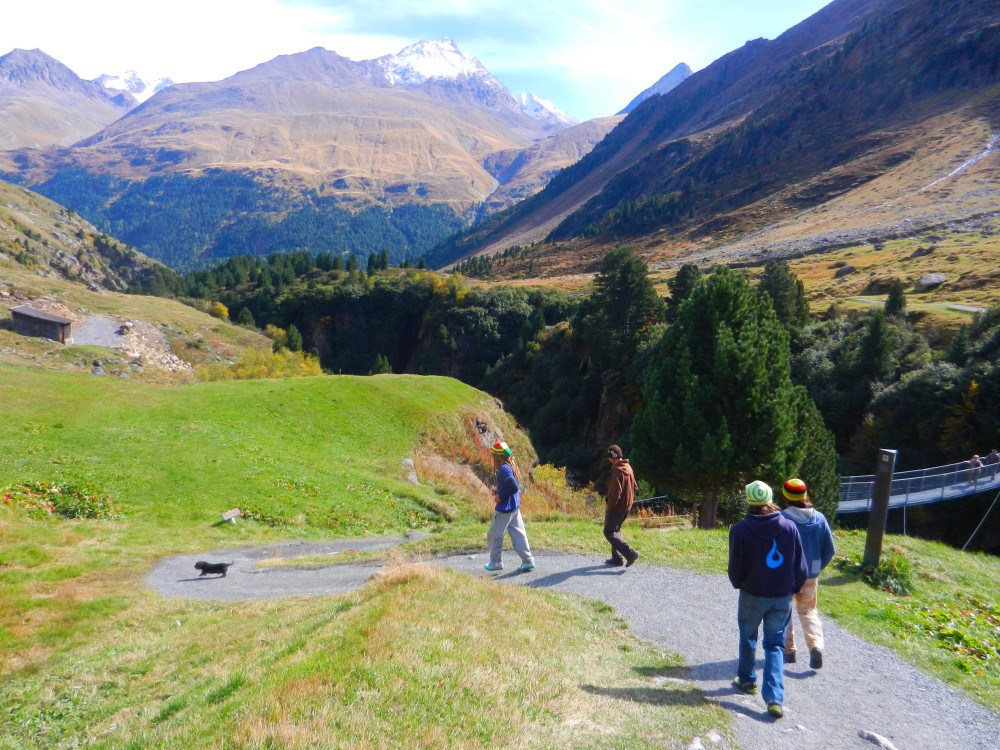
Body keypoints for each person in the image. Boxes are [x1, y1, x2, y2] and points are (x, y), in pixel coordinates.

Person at [728, 480, 807, 719]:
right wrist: (793, 588)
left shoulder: (740, 530)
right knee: (775, 645)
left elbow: (735, 567)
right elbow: (800, 566)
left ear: (749, 501)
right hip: (781, 596)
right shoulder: (789, 527)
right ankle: (774, 699)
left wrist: (739, 584)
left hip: (752, 594)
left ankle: (746, 679)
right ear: (770, 500)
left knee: (748, 636)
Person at [780, 478, 836, 670]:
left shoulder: (782, 519)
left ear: (785, 496)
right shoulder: (819, 518)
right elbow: (829, 549)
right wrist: (816, 567)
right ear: (805, 495)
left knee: (784, 610)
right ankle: (815, 646)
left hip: (787, 574)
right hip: (810, 574)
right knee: (808, 610)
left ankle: (789, 651)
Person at [484, 441, 535, 573]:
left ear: (498, 456)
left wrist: (500, 497)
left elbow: (513, 486)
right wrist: (498, 491)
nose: (493, 457)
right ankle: (528, 561)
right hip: (514, 507)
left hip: (504, 509)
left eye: (494, 455)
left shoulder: (503, 469)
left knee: (494, 534)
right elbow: (510, 486)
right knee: (519, 535)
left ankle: (496, 562)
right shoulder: (510, 465)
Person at [603, 444, 640, 567]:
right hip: (627, 506)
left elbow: (615, 494)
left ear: (611, 457)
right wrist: (628, 499)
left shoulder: (617, 471)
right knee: (616, 530)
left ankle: (630, 553)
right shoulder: (628, 467)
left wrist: (610, 505)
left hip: (617, 507)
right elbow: (635, 487)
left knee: (609, 532)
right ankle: (617, 558)